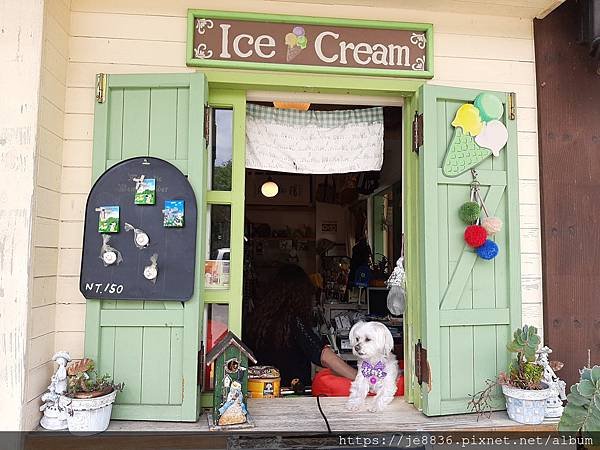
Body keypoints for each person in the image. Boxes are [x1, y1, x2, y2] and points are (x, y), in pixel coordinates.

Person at [246, 264, 357, 386]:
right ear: (301, 294)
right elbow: (322, 355)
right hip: (291, 391)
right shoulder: (293, 320)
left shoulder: (258, 319)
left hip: (258, 389)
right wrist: (360, 378)